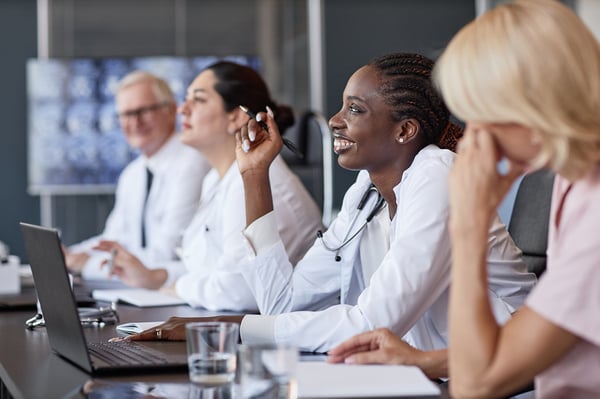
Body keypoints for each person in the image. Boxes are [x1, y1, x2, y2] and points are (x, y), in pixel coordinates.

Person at [123, 53, 536, 370]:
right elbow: (282, 305)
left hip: (501, 377)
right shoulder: (366, 191)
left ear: (405, 130)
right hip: (419, 376)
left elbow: (373, 323)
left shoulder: (439, 174)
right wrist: (254, 177)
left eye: (355, 109)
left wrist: (232, 328)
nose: (336, 121)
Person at [330, 1, 600, 397]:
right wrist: (425, 360)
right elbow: (541, 346)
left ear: (535, 103)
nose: (473, 137)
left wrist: (470, 221)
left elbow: (477, 383)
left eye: (483, 114)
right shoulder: (575, 182)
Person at [96, 61, 322, 311]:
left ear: (235, 116)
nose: (183, 109)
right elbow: (206, 268)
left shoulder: (258, 181)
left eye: (199, 100)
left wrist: (178, 287)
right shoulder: (216, 179)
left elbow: (238, 290)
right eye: (186, 99)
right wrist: (154, 276)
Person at [65, 71, 210, 279]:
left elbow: (167, 253)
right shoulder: (132, 174)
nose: (135, 122)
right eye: (126, 114)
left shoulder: (192, 162)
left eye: (143, 111)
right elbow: (113, 238)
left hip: (173, 293)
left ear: (170, 110)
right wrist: (70, 254)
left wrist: (87, 263)